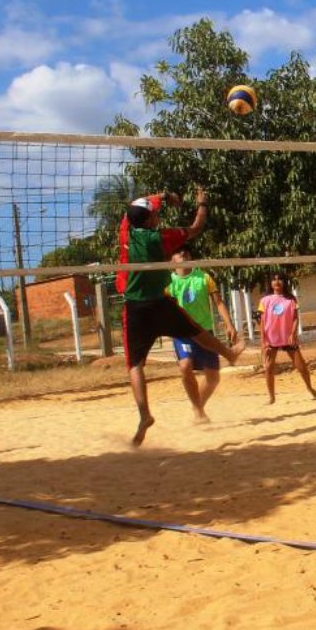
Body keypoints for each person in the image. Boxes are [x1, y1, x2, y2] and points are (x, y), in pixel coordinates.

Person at [120, 186, 244, 446]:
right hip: (159, 303)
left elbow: (135, 206)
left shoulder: (125, 230)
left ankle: (144, 414)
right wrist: (202, 203)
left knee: (134, 364)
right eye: (155, 213)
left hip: (135, 307)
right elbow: (196, 228)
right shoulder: (161, 238)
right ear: (150, 219)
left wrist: (163, 198)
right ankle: (229, 354)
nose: (158, 215)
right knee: (196, 331)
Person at [167, 246, 237, 423]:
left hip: (205, 332)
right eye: (179, 251)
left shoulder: (204, 277)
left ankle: (197, 406)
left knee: (213, 378)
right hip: (182, 333)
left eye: (186, 251)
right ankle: (198, 412)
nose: (183, 253)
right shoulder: (168, 282)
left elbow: (218, 303)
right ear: (171, 261)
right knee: (185, 366)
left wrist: (229, 324)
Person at [258, 272, 316, 405]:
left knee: (301, 366)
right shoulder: (264, 300)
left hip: (287, 337)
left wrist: (293, 333)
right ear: (270, 283)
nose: (277, 282)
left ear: (284, 282)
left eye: (280, 279)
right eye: (274, 280)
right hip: (271, 338)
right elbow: (262, 322)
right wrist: (264, 341)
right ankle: (271, 397)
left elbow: (295, 318)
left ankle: (310, 388)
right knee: (268, 367)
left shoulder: (291, 299)